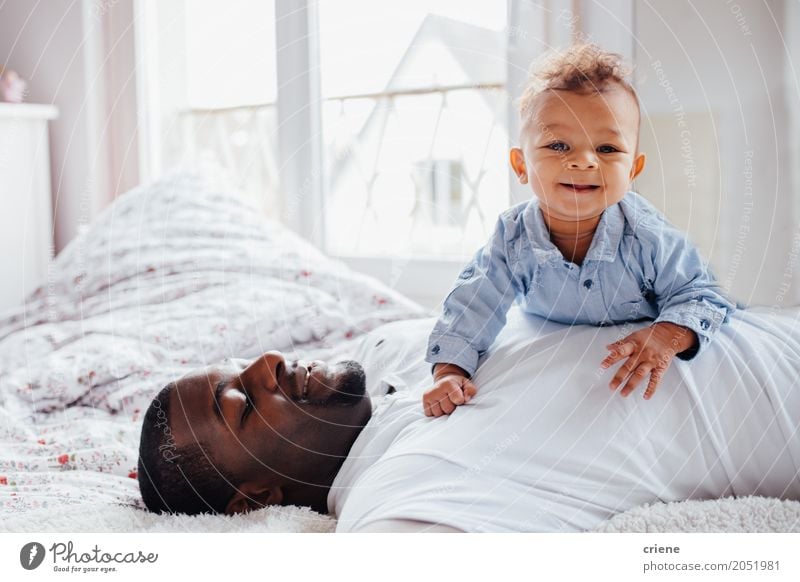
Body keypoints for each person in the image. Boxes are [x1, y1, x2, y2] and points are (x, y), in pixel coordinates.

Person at [137, 309, 800, 532]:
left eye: (240, 367)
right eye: (245, 404)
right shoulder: (403, 488)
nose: (270, 363)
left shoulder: (383, 353)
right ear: (261, 497)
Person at [423, 43, 736, 417]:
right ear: (521, 165)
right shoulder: (513, 237)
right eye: (558, 145)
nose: (584, 161)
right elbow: (473, 306)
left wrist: (666, 334)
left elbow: (703, 294)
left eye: (606, 148)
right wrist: (450, 371)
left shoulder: (646, 234)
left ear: (633, 170)